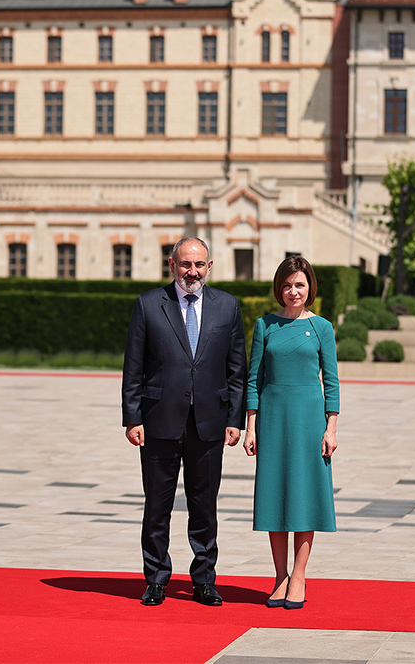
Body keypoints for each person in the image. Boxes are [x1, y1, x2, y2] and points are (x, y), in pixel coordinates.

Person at [122, 237, 247, 607]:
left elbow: (236, 369)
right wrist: (132, 417)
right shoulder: (148, 305)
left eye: (199, 265)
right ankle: (156, 579)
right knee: (157, 507)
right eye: (185, 264)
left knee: (204, 507)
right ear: (172, 265)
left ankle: (204, 580)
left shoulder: (227, 306)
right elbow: (134, 367)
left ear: (210, 267)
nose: (192, 272)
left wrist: (235, 418)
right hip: (158, 421)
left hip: (209, 422)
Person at [243, 255, 339, 610]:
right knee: (275, 495)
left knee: (304, 495)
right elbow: (253, 379)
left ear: (309, 287)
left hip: (310, 419)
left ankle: (299, 576)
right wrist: (251, 426)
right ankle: (279, 576)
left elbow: (331, 381)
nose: (293, 291)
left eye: (299, 284)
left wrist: (331, 427)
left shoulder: (322, 328)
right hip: (272, 418)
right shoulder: (265, 326)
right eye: (287, 285)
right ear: (278, 289)